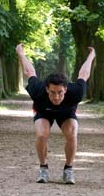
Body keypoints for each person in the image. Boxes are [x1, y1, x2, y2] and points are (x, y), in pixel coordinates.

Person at [16, 43, 96, 184]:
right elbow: (30, 72)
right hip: (44, 112)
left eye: (60, 92)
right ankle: (43, 168)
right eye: (52, 92)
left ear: (65, 89)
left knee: (72, 134)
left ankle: (68, 169)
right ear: (47, 89)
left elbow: (84, 74)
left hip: (66, 114)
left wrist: (91, 56)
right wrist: (21, 54)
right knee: (42, 135)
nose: (56, 97)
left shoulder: (76, 92)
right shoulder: (38, 90)